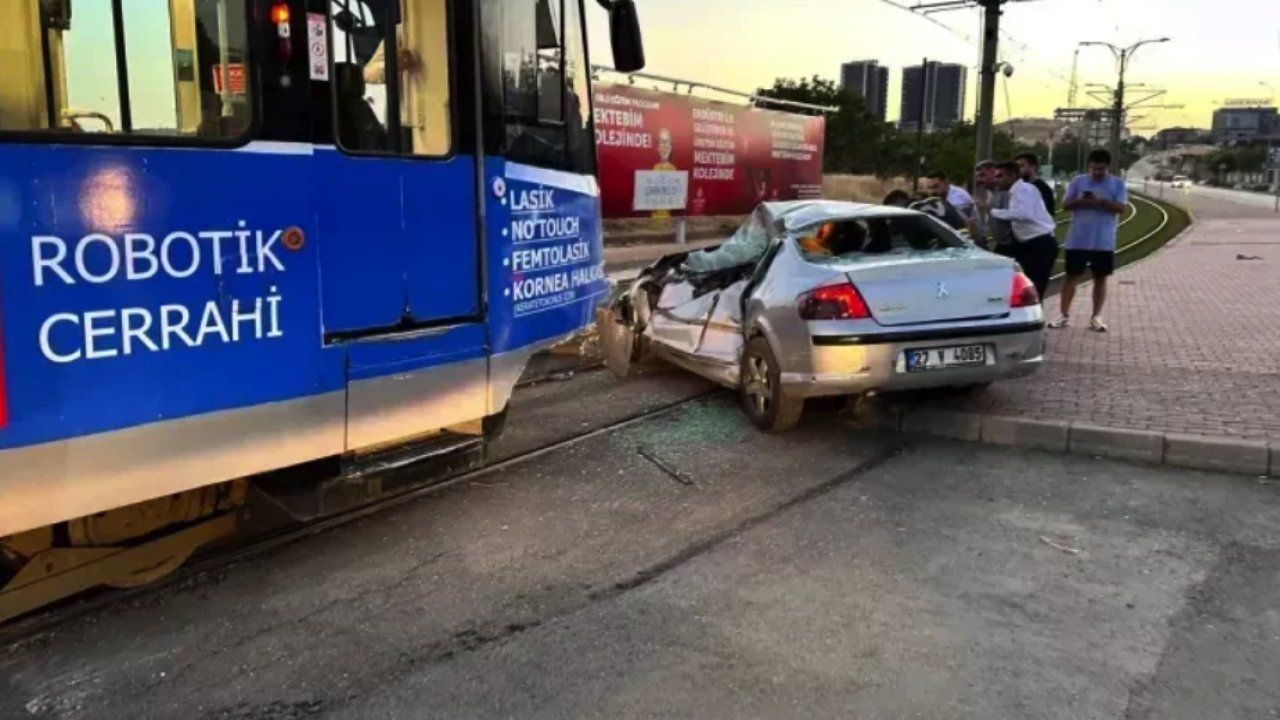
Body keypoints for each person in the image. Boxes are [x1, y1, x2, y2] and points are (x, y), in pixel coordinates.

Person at [1052, 149, 1128, 332]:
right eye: (1093, 169)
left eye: (1100, 170)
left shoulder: (1117, 184)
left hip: (1103, 241)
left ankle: (1096, 316)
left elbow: (1121, 208)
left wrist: (1100, 201)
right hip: (1077, 239)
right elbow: (1065, 205)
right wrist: (1080, 200)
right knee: (1071, 277)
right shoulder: (1078, 181)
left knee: (1100, 278)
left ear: (1107, 167)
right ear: (1089, 166)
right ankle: (1063, 314)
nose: (1096, 173)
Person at [981, 161, 1058, 299]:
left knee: (1035, 288)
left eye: (1000, 176)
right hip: (1028, 244)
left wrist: (993, 211)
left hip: (1040, 243)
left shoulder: (1024, 190)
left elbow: (1024, 214)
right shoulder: (1014, 192)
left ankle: (1035, 318)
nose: (996, 180)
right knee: (1026, 286)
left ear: (1012, 176)